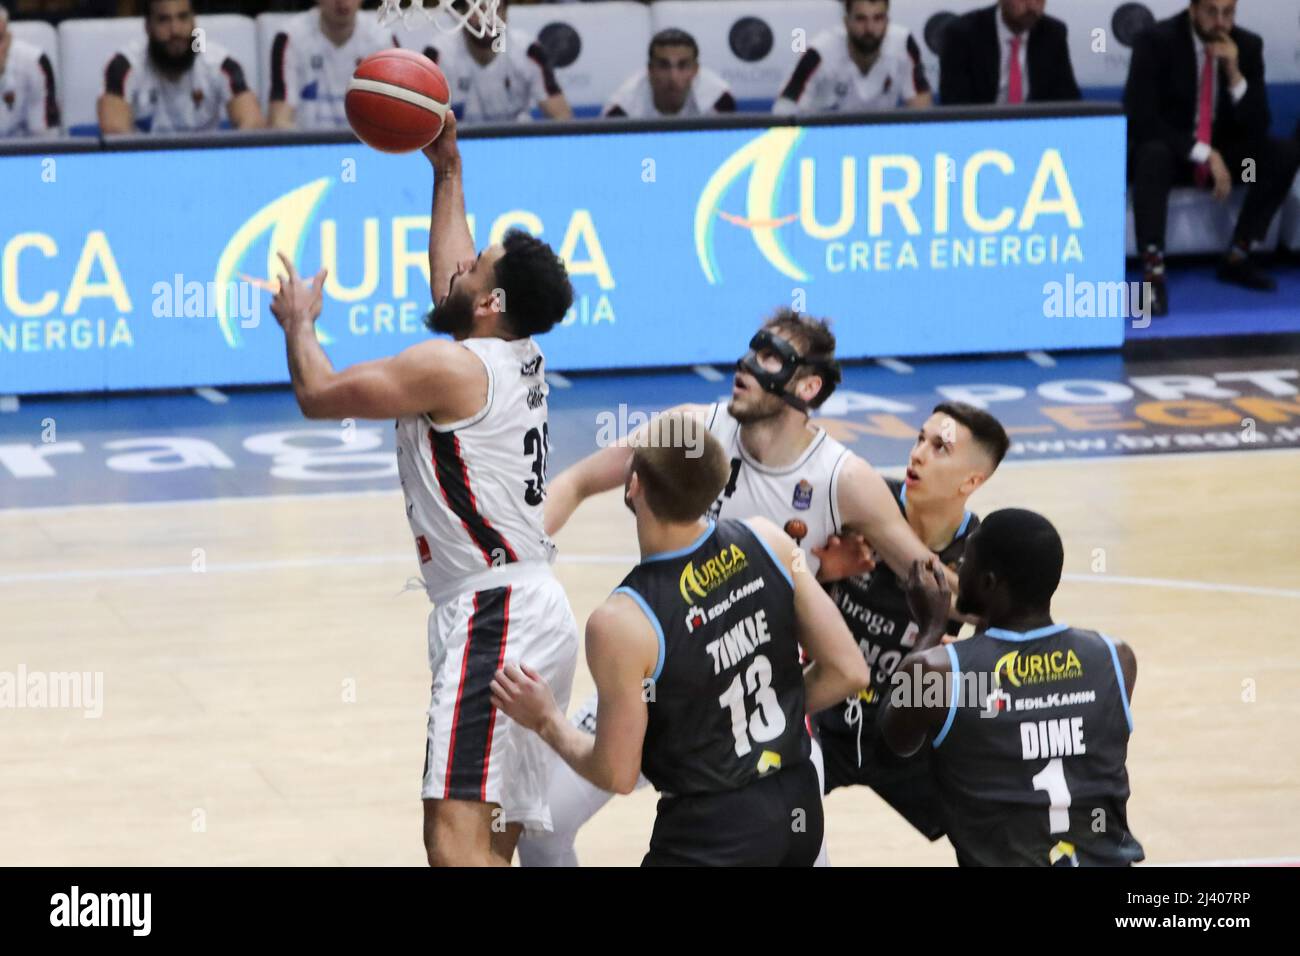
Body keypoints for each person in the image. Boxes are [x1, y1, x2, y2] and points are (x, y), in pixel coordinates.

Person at [515, 310, 949, 867]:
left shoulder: (843, 477)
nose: (746, 365)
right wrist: (519, 559)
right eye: (751, 351)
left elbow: (931, 581)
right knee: (541, 823)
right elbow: (574, 482)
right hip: (651, 680)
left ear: (808, 386)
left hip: (755, 695)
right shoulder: (690, 433)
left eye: (770, 357)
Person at [269, 112, 580, 866]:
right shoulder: (510, 347)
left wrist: (298, 323)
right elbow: (454, 279)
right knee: (489, 843)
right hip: (529, 607)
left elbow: (319, 393)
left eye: (480, 266)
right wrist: (446, 173)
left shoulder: (452, 370)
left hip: (494, 614)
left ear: (490, 304)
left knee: (453, 843)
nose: (465, 266)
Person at [491, 414, 870, 866]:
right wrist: (761, 716)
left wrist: (546, 719)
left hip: (711, 834)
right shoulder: (768, 538)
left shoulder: (621, 622)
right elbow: (850, 670)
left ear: (633, 487)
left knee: (544, 823)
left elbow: (616, 772)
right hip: (797, 804)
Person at [880, 509, 1146, 867]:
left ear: (988, 582)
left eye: (965, 562)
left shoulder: (938, 673)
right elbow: (1022, 696)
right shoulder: (1115, 658)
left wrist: (929, 630)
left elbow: (895, 739)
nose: (956, 570)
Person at [816, 402, 1007, 844]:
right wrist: (822, 572)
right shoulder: (860, 504)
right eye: (920, 438)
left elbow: (993, 669)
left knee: (993, 823)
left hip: (906, 723)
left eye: (940, 447)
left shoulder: (983, 555)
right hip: (826, 710)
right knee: (765, 814)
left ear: (971, 481)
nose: (918, 453)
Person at [1124, 0, 1300, 314]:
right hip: (1177, 155)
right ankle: (1153, 272)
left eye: (1229, 12)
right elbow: (1141, 116)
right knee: (1152, 155)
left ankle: (1238, 255)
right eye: (1211, 12)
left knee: (1280, 153)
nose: (1221, 23)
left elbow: (1258, 125)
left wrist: (1234, 75)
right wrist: (1203, 153)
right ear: (1193, 9)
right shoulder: (1156, 40)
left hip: (1235, 164)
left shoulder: (1246, 45)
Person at [99, 0, 264, 134]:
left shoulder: (220, 63)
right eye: (163, 20)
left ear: (194, 22)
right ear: (147, 27)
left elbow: (253, 123)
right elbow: (114, 130)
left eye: (183, 17)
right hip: (146, 165)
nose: (175, 30)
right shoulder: (123, 66)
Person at [416, 0, 572, 123]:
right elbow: (419, 120)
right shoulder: (437, 55)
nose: (488, 19)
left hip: (514, 143)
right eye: (479, 9)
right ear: (461, 14)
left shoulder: (529, 52)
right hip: (458, 145)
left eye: (496, 9)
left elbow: (562, 116)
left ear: (506, 14)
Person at [773, 0, 931, 115]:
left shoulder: (904, 43)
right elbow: (784, 109)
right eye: (861, 19)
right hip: (825, 139)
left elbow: (921, 103)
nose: (870, 29)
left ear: (887, 21)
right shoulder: (819, 53)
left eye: (878, 18)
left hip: (882, 138)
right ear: (846, 22)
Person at [268, 0, 397, 130]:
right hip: (307, 145)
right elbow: (279, 121)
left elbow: (398, 112)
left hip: (365, 146)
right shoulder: (290, 36)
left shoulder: (383, 39)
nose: (342, 2)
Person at [938, 0, 1080, 106]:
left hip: (1036, 130)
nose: (1031, 6)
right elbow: (954, 104)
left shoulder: (1053, 33)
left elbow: (1068, 99)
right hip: (981, 130)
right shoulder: (962, 34)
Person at [603, 28, 734, 119]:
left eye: (682, 66)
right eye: (664, 66)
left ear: (696, 70)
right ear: (650, 70)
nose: (673, 77)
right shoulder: (621, 110)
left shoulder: (719, 100)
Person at [0, 5, 61, 138]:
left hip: (20, 154)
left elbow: (46, 138)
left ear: (9, 38)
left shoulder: (35, 62)